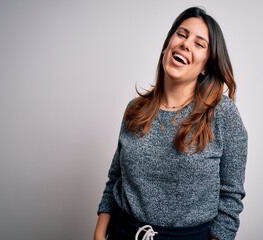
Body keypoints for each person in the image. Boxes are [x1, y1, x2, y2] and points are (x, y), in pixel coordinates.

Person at [94, 6, 248, 240]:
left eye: (199, 43)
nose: (186, 44)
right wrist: (99, 233)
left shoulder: (223, 114)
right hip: (122, 232)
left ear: (207, 64)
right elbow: (116, 178)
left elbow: (230, 199)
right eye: (182, 34)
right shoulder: (135, 110)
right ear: (167, 45)